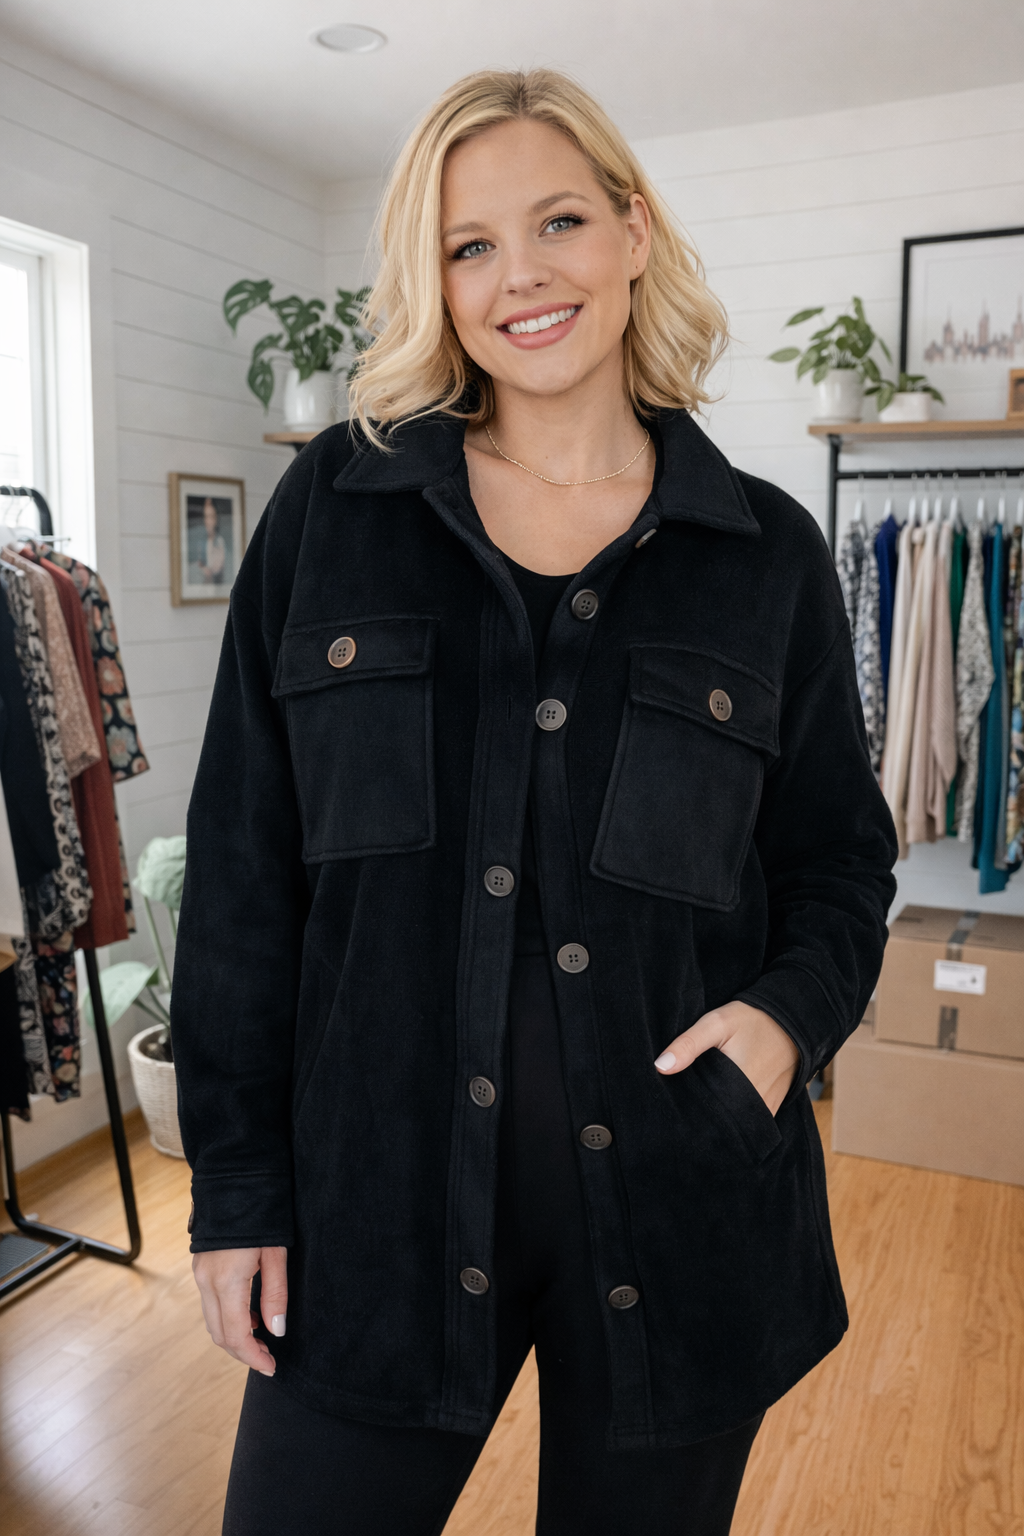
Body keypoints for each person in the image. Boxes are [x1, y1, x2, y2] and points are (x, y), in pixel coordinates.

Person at [172, 68, 897, 1536]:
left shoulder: (765, 554)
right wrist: (238, 1188)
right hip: (377, 1205)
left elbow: (838, 862)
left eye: (558, 220)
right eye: (469, 245)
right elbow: (250, 872)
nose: (522, 277)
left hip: (683, 1206)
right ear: (433, 284)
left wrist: (783, 1022)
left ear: (633, 231)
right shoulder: (335, 511)